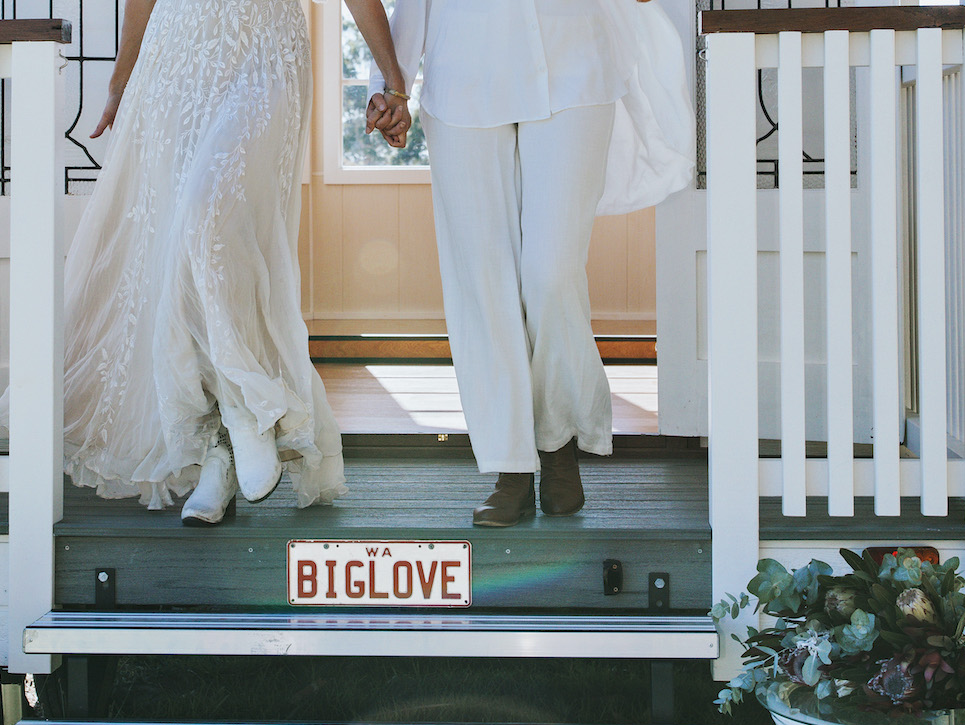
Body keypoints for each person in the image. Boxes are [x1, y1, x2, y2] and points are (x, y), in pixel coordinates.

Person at [62, 0, 411, 525]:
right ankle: (217, 454)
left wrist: (393, 79)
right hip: (177, 57)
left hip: (266, 53)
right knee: (182, 247)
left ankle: (249, 412)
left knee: (209, 223)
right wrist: (119, 83)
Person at [368, 0, 695, 526]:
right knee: (482, 281)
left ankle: (558, 440)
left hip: (575, 67)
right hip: (463, 76)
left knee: (552, 272)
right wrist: (392, 85)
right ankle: (510, 464)